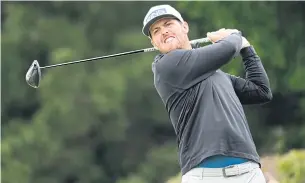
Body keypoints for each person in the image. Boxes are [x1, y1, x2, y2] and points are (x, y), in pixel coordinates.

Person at [142, 4, 272, 183]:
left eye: (168, 24)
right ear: (154, 42)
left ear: (185, 27)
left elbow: (261, 91)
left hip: (248, 171)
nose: (163, 31)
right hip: (203, 174)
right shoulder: (165, 67)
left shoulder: (217, 75)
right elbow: (226, 49)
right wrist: (234, 36)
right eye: (156, 31)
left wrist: (247, 50)